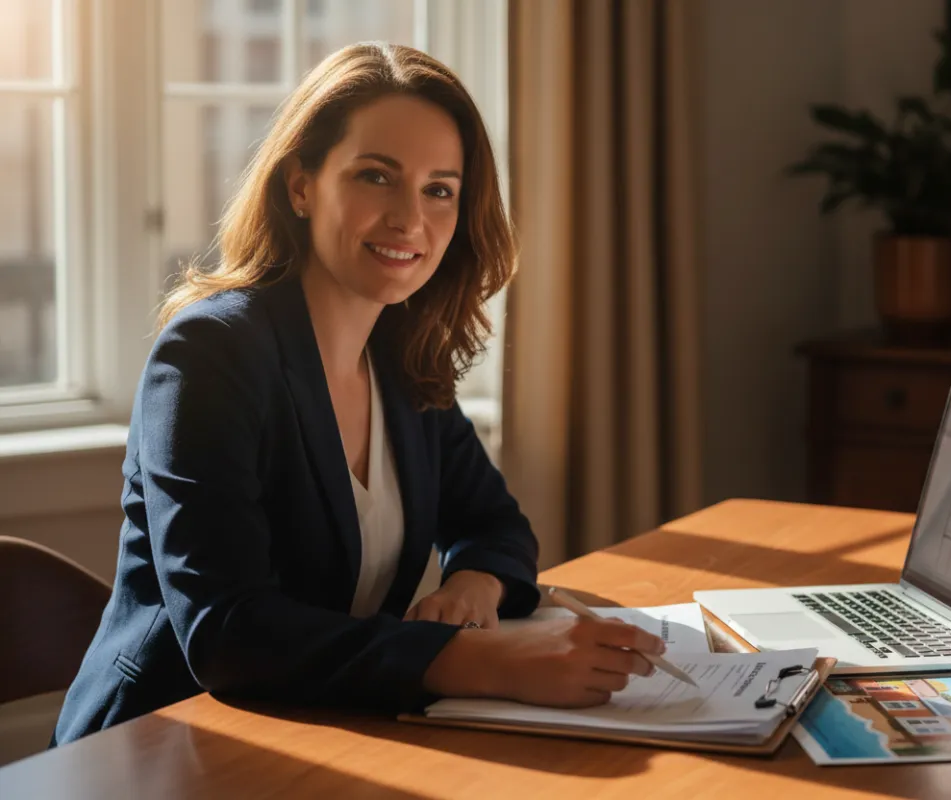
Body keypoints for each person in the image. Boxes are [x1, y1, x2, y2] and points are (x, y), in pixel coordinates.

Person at [52, 42, 664, 746]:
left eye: (440, 189)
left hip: (322, 729)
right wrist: (479, 659)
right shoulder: (210, 356)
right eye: (376, 177)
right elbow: (228, 633)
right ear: (301, 186)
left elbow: (495, 526)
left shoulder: (402, 361)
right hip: (159, 745)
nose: (411, 219)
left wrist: (476, 587)